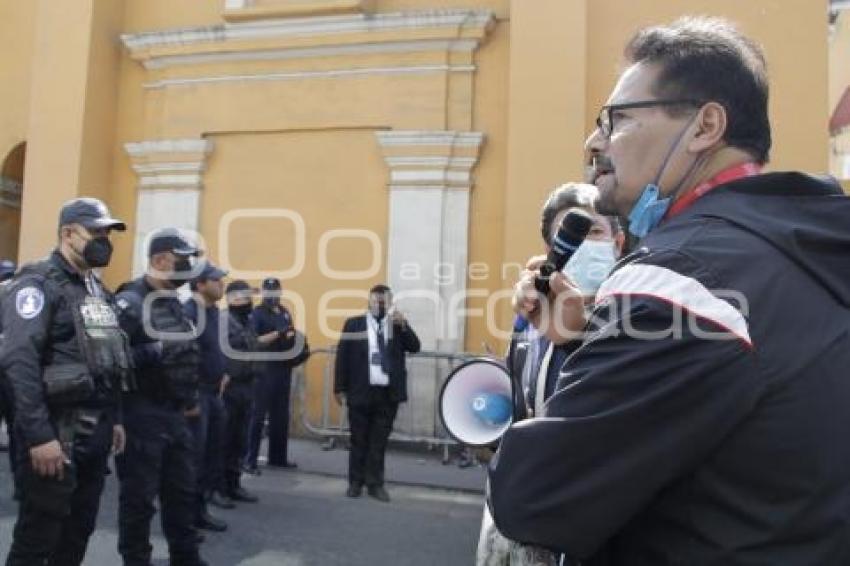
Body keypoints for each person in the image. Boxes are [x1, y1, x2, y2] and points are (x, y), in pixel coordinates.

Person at [489, 17, 850, 565]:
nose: (594, 142)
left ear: (705, 126)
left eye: (616, 119)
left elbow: (532, 498)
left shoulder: (678, 277)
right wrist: (578, 339)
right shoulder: (805, 249)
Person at [477, 184, 624, 566]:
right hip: (528, 521)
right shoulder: (530, 319)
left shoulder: (637, 321)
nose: (579, 247)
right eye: (566, 238)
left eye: (593, 232)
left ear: (618, 242)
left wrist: (577, 337)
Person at [1, 197, 132, 565]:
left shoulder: (94, 289)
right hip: (56, 435)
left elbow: (108, 358)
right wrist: (40, 437)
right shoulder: (37, 283)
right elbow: (18, 360)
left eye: (109, 233)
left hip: (95, 433)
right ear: (68, 234)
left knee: (76, 535)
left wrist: (116, 417)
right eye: (97, 232)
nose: (105, 240)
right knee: (37, 538)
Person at [115, 228, 208, 566]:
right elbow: (110, 362)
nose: (186, 266)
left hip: (175, 414)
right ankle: (136, 560)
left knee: (182, 494)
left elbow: (186, 353)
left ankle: (186, 558)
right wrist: (152, 351)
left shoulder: (173, 304)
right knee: (139, 500)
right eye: (180, 259)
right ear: (158, 260)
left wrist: (191, 398)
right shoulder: (129, 302)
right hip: (141, 414)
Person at [334, 284, 421, 502]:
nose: (379, 305)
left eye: (384, 302)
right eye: (376, 300)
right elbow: (342, 357)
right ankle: (355, 482)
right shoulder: (354, 324)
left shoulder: (396, 326)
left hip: (387, 393)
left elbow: (415, 347)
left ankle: (375, 484)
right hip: (360, 391)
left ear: (389, 303)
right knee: (358, 439)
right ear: (369, 301)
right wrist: (339, 387)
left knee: (378, 442)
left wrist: (404, 326)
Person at [184, 262, 231, 531]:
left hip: (215, 391)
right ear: (200, 284)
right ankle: (186, 517)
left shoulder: (213, 312)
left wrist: (224, 372)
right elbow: (187, 355)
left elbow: (215, 348)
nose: (221, 284)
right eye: (216, 280)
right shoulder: (189, 312)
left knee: (212, 453)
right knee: (194, 457)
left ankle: (200, 510)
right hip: (197, 392)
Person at [246, 277, 307, 473]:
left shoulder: (284, 312)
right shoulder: (256, 314)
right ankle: (250, 460)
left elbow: (288, 334)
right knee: (257, 416)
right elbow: (254, 340)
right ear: (264, 293)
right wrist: (277, 334)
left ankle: (278, 457)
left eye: (275, 291)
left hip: (283, 368)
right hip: (264, 369)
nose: (272, 295)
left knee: (280, 416)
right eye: (268, 291)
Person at [220, 280, 261, 503]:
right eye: (243, 297)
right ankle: (218, 487)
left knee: (240, 438)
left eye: (248, 297)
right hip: (229, 386)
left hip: (247, 385)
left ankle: (234, 483)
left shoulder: (247, 321)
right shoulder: (224, 320)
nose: (248, 301)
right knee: (224, 438)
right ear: (231, 298)